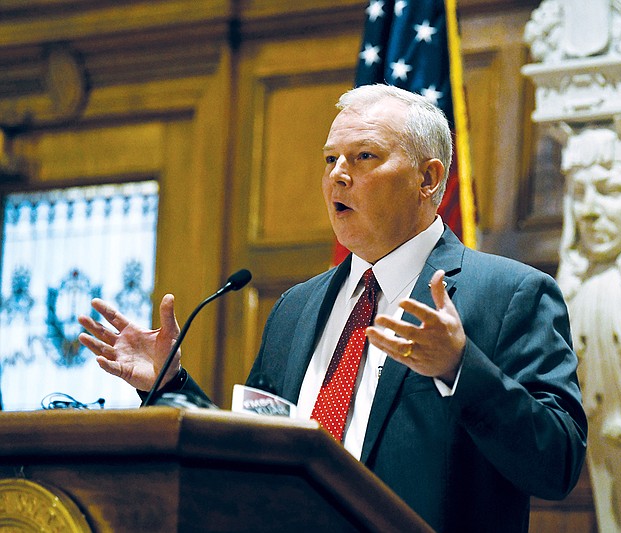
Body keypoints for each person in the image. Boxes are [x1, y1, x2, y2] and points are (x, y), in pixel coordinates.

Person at [78, 84, 587, 532]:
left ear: (429, 179)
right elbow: (257, 454)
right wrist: (170, 387)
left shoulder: (510, 294)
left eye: (364, 156)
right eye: (330, 160)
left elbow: (557, 463)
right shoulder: (295, 308)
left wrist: (460, 369)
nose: (337, 177)